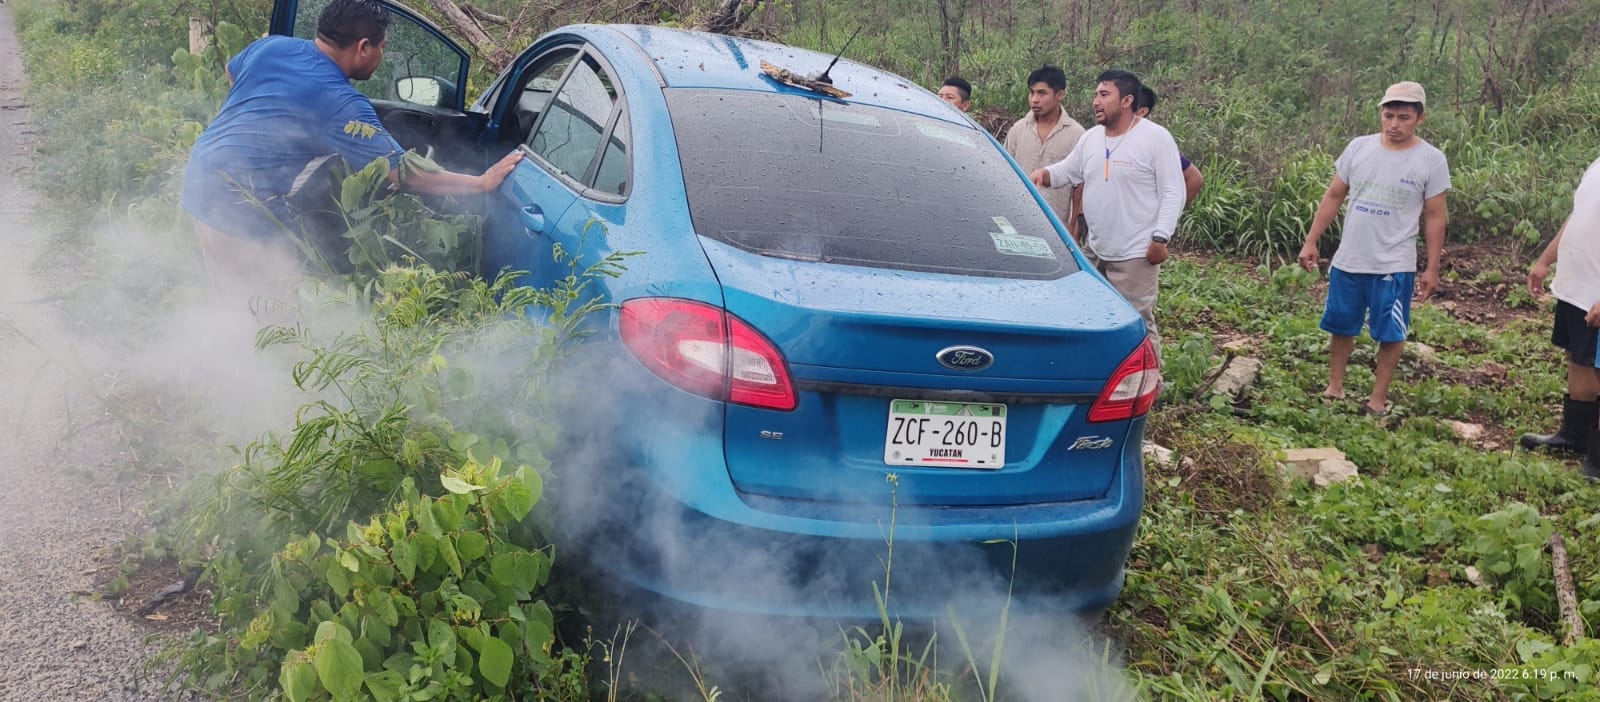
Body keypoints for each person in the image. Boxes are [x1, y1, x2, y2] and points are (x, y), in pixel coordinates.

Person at [181, 0, 521, 300]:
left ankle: (221, 357)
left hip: (201, 175)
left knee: (230, 293)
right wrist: (480, 183)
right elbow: (402, 171)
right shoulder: (341, 103)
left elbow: (232, 70)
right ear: (363, 47)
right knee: (275, 312)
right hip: (244, 201)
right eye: (382, 47)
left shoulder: (272, 49)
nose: (381, 55)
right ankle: (248, 366)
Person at [1296, 81, 1450, 418]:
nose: (1394, 124)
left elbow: (1436, 216)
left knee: (1390, 331)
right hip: (1350, 257)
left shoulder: (1431, 160)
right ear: (1380, 114)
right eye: (1389, 115)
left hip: (1394, 264)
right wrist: (1312, 240)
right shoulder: (1358, 148)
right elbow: (1334, 195)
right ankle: (1334, 387)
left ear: (1420, 119)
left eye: (1404, 117)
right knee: (1341, 324)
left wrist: (1432, 267)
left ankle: (1377, 399)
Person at [1029, 69, 1184, 352]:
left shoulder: (1155, 138)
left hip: (1136, 253)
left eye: (1104, 95)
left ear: (1126, 101)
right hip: (1096, 249)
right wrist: (1044, 174)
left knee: (1137, 324)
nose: (1095, 102)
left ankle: (1148, 388)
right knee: (1092, 317)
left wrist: (1160, 238)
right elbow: (1070, 170)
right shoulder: (1091, 138)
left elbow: (1174, 190)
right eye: (1095, 95)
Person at [1521, 156, 1600, 479]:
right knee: (1577, 359)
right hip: (1576, 287)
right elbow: (1578, 216)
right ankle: (1574, 435)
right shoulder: (1596, 163)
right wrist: (1545, 259)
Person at [1005, 65, 1086, 228]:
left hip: (1056, 226)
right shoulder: (1019, 129)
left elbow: (1080, 188)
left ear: (1060, 95)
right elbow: (1004, 173)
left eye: (1042, 93)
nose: (1034, 99)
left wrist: (1073, 229)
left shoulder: (1077, 134)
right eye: (1032, 92)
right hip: (1016, 220)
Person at [1134, 85, 1204, 207]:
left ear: (1142, 112)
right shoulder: (1104, 137)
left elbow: (1195, 179)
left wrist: (1165, 218)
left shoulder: (1155, 141)